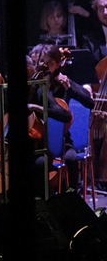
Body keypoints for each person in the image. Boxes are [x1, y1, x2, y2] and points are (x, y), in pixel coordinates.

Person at [36, 44, 94, 190]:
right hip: (38, 138)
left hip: (62, 138)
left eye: (49, 63)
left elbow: (89, 102)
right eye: (42, 62)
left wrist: (70, 88)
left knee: (71, 158)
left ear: (57, 64)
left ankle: (72, 195)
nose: (45, 67)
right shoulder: (35, 84)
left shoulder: (62, 82)